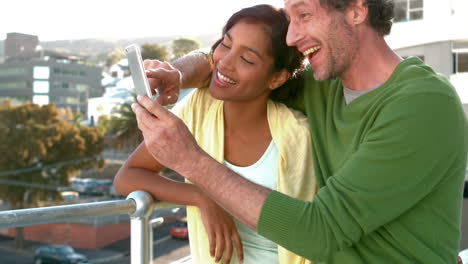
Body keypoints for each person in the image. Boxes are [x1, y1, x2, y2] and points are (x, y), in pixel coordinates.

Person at [132, 0, 468, 263]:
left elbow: (320, 232)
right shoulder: (323, 86)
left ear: (356, 10)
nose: (292, 36)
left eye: (304, 16)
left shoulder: (422, 104)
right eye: (290, 20)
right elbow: (224, 65)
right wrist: (175, 73)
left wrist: (192, 162)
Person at [115, 4, 315, 264]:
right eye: (225, 44)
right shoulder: (199, 107)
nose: (226, 63)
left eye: (247, 59)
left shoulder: (300, 138)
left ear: (276, 78)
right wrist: (201, 196)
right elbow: (127, 177)